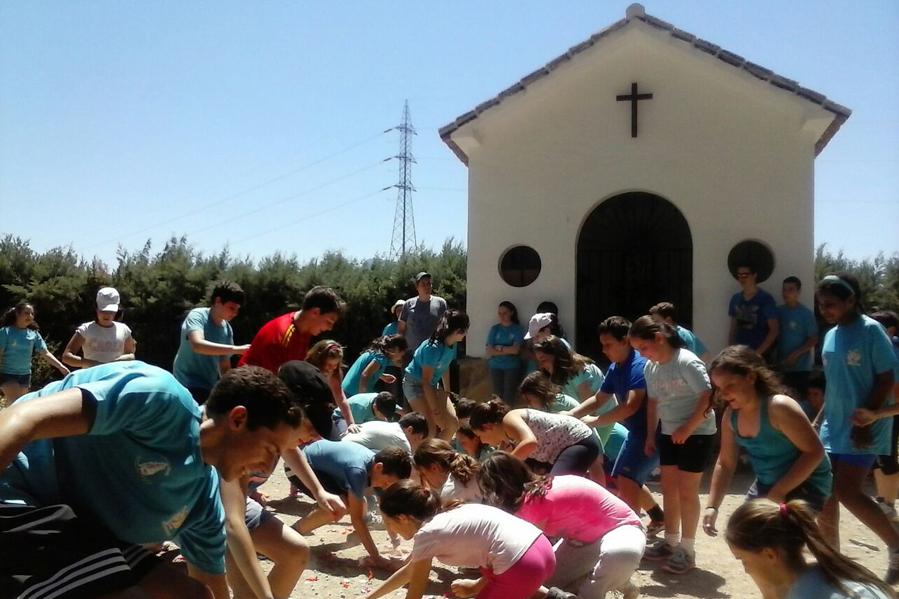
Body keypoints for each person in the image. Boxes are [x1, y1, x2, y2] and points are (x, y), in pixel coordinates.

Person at [0, 361, 303, 598]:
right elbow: (23, 418)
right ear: (238, 420)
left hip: (81, 528)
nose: (269, 466)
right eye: (270, 449)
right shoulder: (160, 402)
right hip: (20, 491)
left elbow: (211, 586)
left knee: (193, 595)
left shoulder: (203, 503)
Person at [815, 273, 899, 583]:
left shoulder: (872, 331)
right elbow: (834, 384)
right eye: (822, 304)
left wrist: (871, 415)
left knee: (847, 491)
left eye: (832, 304)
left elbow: (886, 378)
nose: (825, 309)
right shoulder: (831, 334)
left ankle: (896, 547)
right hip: (831, 426)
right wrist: (817, 421)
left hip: (864, 425)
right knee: (825, 494)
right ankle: (830, 559)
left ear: (851, 300)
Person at [702, 346, 832, 538]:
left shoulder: (779, 406)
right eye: (719, 388)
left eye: (729, 385)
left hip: (807, 483)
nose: (723, 394)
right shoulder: (731, 416)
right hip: (768, 482)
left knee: (773, 540)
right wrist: (712, 505)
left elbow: (814, 452)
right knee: (742, 534)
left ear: (751, 377)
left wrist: (779, 492)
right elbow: (726, 462)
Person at [478, 452, 645, 599]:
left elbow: (519, 553)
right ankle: (618, 582)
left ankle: (607, 586)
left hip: (623, 528)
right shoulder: (538, 488)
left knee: (619, 557)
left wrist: (483, 583)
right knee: (545, 586)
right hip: (580, 541)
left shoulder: (533, 502)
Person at [629, 316, 716, 574]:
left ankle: (687, 550)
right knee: (669, 489)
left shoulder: (686, 361)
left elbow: (708, 396)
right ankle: (670, 542)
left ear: (659, 338)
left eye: (643, 348)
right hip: (669, 433)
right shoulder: (651, 368)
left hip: (697, 433)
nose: (642, 355)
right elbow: (653, 403)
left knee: (688, 491)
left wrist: (687, 429)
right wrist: (649, 436)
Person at [367, 480, 556, 599]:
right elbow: (410, 571)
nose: (390, 528)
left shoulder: (427, 534)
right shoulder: (452, 511)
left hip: (521, 566)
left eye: (389, 522)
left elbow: (415, 590)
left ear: (402, 517)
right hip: (542, 549)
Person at [567, 316, 662, 526]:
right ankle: (655, 519)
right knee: (624, 478)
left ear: (625, 341)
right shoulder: (616, 367)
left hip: (652, 433)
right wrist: (573, 414)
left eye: (608, 345)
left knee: (627, 480)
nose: (604, 350)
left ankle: (632, 532)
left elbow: (630, 405)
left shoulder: (639, 365)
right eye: (603, 345)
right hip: (636, 433)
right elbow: (599, 398)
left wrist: (594, 421)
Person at [725, 499, 894, 599]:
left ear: (770, 554)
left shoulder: (809, 593)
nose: (746, 570)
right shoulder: (833, 571)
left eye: (743, 560)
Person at [289, 442, 411, 570]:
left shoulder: (378, 465)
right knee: (339, 506)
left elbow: (384, 508)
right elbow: (356, 519)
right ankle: (290, 535)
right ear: (379, 467)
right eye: (386, 482)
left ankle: (356, 535)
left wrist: (395, 543)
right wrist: (376, 558)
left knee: (360, 503)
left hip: (320, 466)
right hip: (298, 466)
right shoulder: (358, 470)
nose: (385, 486)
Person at [469, 400, 600, 476]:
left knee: (555, 488)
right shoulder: (507, 440)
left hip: (579, 440)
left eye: (480, 436)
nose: (482, 441)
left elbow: (530, 442)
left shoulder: (509, 419)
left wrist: (505, 465)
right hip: (567, 447)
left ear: (487, 427)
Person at [173, 281, 251, 404]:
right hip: (186, 384)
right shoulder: (197, 316)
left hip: (208, 387)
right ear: (218, 301)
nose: (235, 313)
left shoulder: (227, 329)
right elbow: (197, 345)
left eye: (237, 309)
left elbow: (224, 367)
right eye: (231, 308)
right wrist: (237, 349)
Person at [239, 285, 343, 372]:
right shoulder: (283, 337)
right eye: (329, 322)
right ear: (315, 312)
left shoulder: (305, 330)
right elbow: (277, 383)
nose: (330, 328)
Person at [403, 310, 467, 440]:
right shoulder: (433, 348)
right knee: (430, 429)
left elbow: (444, 367)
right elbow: (425, 382)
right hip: (415, 385)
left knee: (452, 424)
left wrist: (447, 392)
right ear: (458, 330)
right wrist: (435, 410)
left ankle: (435, 453)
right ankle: (426, 456)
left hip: (431, 385)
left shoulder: (452, 345)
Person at [0, 301, 69, 403]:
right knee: (15, 403)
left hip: (25, 376)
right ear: (17, 314)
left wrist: (60, 367)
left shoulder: (34, 334)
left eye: (32, 314)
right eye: (26, 313)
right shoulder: (5, 332)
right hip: (7, 374)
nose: (30, 316)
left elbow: (45, 353)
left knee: (19, 405)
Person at [867, 310, 899, 518]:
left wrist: (881, 413)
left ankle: (889, 503)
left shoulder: (893, 352)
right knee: (878, 456)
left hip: (889, 412)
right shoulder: (882, 348)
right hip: (880, 412)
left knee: (887, 458)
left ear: (889, 330)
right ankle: (883, 499)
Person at [62, 286, 136, 369]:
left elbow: (131, 355)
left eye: (111, 312)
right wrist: (94, 364)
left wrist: (121, 360)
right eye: (103, 311)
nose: (107, 315)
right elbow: (66, 357)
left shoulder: (124, 329)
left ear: (117, 311)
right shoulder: (85, 330)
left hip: (116, 375)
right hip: (92, 377)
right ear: (96, 309)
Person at [776, 276, 819, 399]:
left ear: (798, 292)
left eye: (790, 289)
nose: (786, 293)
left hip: (800, 369)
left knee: (799, 404)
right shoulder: (778, 312)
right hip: (780, 367)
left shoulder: (806, 314)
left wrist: (795, 355)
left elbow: (813, 338)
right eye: (784, 289)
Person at [305, 339, 359, 437]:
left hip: (325, 415)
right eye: (329, 365)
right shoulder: (306, 371)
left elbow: (341, 398)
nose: (332, 368)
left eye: (335, 365)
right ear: (319, 360)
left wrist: (351, 423)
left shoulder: (334, 375)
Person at [728, 263, 779, 358]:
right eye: (738, 275)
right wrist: (731, 352)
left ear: (754, 275)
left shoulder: (765, 299)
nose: (741, 278)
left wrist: (756, 354)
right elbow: (733, 330)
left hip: (761, 356)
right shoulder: (735, 299)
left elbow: (774, 330)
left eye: (745, 275)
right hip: (740, 355)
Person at [414, 438, 481, 503]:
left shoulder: (448, 495)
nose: (423, 479)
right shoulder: (475, 470)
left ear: (434, 468)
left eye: (423, 474)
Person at [341, 334, 407, 397]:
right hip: (353, 391)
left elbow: (368, 369)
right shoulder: (381, 357)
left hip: (348, 389)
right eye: (402, 355)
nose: (401, 357)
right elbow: (365, 374)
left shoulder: (379, 353)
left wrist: (382, 376)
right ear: (395, 349)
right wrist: (363, 397)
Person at [398, 272, 447, 355]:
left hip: (433, 353)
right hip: (411, 354)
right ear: (417, 287)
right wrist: (400, 350)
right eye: (423, 284)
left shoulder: (441, 303)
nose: (426, 287)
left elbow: (445, 328)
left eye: (429, 284)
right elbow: (401, 329)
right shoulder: (408, 304)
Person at [485, 301, 525, 403]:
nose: (502, 316)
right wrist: (508, 349)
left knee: (509, 395)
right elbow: (489, 351)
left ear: (511, 312)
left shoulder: (517, 329)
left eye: (505, 313)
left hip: (512, 366)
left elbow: (516, 350)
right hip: (495, 366)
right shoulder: (495, 329)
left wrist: (499, 348)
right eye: (500, 313)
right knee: (496, 396)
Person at [342, 412, 429, 454]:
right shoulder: (402, 441)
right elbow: (411, 471)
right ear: (409, 430)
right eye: (417, 438)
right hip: (348, 454)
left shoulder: (383, 425)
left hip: (341, 446)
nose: (416, 443)